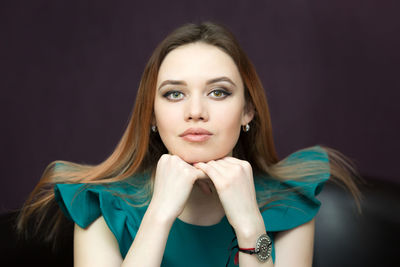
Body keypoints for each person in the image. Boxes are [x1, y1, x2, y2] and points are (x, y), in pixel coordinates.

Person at [17, 22, 360, 266]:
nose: (196, 112)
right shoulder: (101, 205)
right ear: (151, 115)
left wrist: (250, 225)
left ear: (247, 111)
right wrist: (159, 216)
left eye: (218, 92)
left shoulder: (289, 201)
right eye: (174, 94)